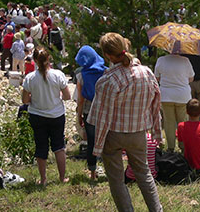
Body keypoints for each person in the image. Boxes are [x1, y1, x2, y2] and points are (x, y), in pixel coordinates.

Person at [87, 33, 162, 212]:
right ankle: (157, 210)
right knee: (144, 173)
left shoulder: (108, 80)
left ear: (107, 55)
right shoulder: (146, 73)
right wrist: (157, 131)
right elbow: (156, 105)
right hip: (138, 132)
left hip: (114, 134)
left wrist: (96, 147)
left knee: (116, 179)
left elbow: (102, 117)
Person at [22, 48, 71, 186]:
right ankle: (62, 178)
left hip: (37, 115)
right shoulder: (58, 75)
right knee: (59, 146)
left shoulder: (30, 78)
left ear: (35, 61)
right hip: (56, 114)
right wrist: (57, 97)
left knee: (41, 147)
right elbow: (67, 96)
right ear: (49, 59)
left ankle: (43, 179)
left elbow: (25, 100)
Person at [75, 45, 106, 180]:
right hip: (105, 112)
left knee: (92, 143)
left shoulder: (81, 76)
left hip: (89, 112)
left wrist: (79, 115)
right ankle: (110, 171)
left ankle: (93, 173)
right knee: (107, 142)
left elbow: (80, 100)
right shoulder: (106, 72)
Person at [154, 50, 194, 152]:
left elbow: (156, 78)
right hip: (182, 96)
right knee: (183, 122)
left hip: (166, 95)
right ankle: (183, 145)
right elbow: (191, 78)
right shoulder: (185, 61)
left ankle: (171, 147)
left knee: (169, 122)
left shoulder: (161, 60)